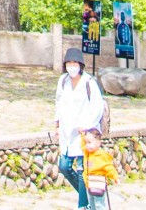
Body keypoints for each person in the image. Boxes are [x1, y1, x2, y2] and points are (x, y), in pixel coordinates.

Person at [53, 47, 108, 210]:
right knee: (64, 165)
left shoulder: (89, 82)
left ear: (80, 65)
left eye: (74, 62)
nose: (71, 66)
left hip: (85, 133)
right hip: (67, 131)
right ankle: (88, 198)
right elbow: (58, 102)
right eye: (69, 63)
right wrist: (57, 124)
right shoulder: (63, 81)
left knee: (83, 170)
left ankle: (83, 205)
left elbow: (97, 107)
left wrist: (88, 126)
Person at [80, 127, 119, 210]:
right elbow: (83, 144)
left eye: (90, 142)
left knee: (99, 204)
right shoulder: (87, 153)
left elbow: (109, 167)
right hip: (89, 184)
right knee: (91, 204)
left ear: (98, 143)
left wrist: (115, 176)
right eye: (86, 142)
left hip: (98, 184)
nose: (87, 145)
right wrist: (83, 135)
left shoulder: (101, 155)